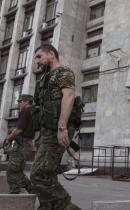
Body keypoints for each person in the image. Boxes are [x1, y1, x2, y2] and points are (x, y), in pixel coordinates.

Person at [30, 44, 81, 210]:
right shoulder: (44, 79)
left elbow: (69, 95)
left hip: (57, 129)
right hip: (46, 130)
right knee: (48, 174)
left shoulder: (63, 72)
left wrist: (62, 127)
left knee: (38, 174)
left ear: (51, 54)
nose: (37, 61)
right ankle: (47, 206)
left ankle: (67, 207)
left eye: (39, 56)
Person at [3, 94, 35, 194]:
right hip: (25, 144)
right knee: (17, 170)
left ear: (26, 102)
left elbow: (19, 130)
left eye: (20, 101)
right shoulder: (32, 111)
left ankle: (29, 188)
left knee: (12, 170)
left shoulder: (26, 111)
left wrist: (7, 139)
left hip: (22, 144)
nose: (19, 104)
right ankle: (16, 190)